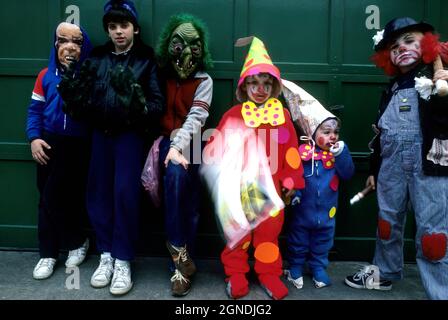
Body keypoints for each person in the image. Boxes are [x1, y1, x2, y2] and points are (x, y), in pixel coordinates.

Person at [59, 0, 164, 295]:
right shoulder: (96, 57)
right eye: (113, 26)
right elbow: (82, 100)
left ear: (135, 28)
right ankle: (105, 254)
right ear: (108, 29)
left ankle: (123, 259)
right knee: (98, 193)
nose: (119, 32)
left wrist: (135, 103)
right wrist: (75, 95)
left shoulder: (146, 59)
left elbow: (157, 105)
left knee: (124, 194)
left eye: (124, 25)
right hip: (99, 136)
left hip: (129, 136)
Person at [344, 17, 448, 300]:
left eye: (409, 41)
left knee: (433, 236)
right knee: (387, 222)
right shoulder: (390, 89)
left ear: (426, 44)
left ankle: (441, 292)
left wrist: (444, 88)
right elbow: (382, 133)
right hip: (390, 166)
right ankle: (385, 272)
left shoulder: (438, 79)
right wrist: (375, 169)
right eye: (393, 46)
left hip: (431, 166)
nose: (401, 48)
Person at [203, 37, 305, 300]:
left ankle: (269, 274)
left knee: (268, 236)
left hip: (272, 192)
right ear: (244, 86)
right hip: (239, 192)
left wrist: (291, 182)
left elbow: (292, 154)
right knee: (238, 235)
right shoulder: (233, 115)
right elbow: (213, 150)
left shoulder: (282, 116)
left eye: (266, 83)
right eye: (254, 83)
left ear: (273, 86)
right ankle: (235, 273)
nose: (260, 89)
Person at [26, 22, 92, 280]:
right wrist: (34, 138)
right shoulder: (45, 76)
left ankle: (77, 241)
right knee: (47, 197)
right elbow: (34, 111)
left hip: (77, 144)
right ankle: (48, 253)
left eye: (76, 42)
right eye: (62, 40)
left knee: (69, 197)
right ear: (55, 44)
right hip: (48, 143)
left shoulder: (87, 76)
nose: (69, 47)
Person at [155, 13, 213, 297]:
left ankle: (181, 262)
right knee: (175, 182)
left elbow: (197, 117)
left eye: (194, 46)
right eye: (179, 45)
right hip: (165, 142)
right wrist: (171, 146)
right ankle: (180, 262)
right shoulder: (159, 76)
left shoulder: (204, 80)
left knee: (190, 202)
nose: (186, 52)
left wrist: (179, 146)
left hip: (191, 142)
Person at [283, 87, 355, 289]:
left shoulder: (336, 154)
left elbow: (348, 173)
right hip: (302, 211)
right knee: (298, 239)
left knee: (323, 242)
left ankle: (318, 267)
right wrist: (294, 193)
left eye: (335, 132)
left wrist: (342, 154)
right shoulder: (302, 153)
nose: (333, 136)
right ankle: (295, 265)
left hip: (327, 213)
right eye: (326, 132)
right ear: (313, 133)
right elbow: (294, 174)